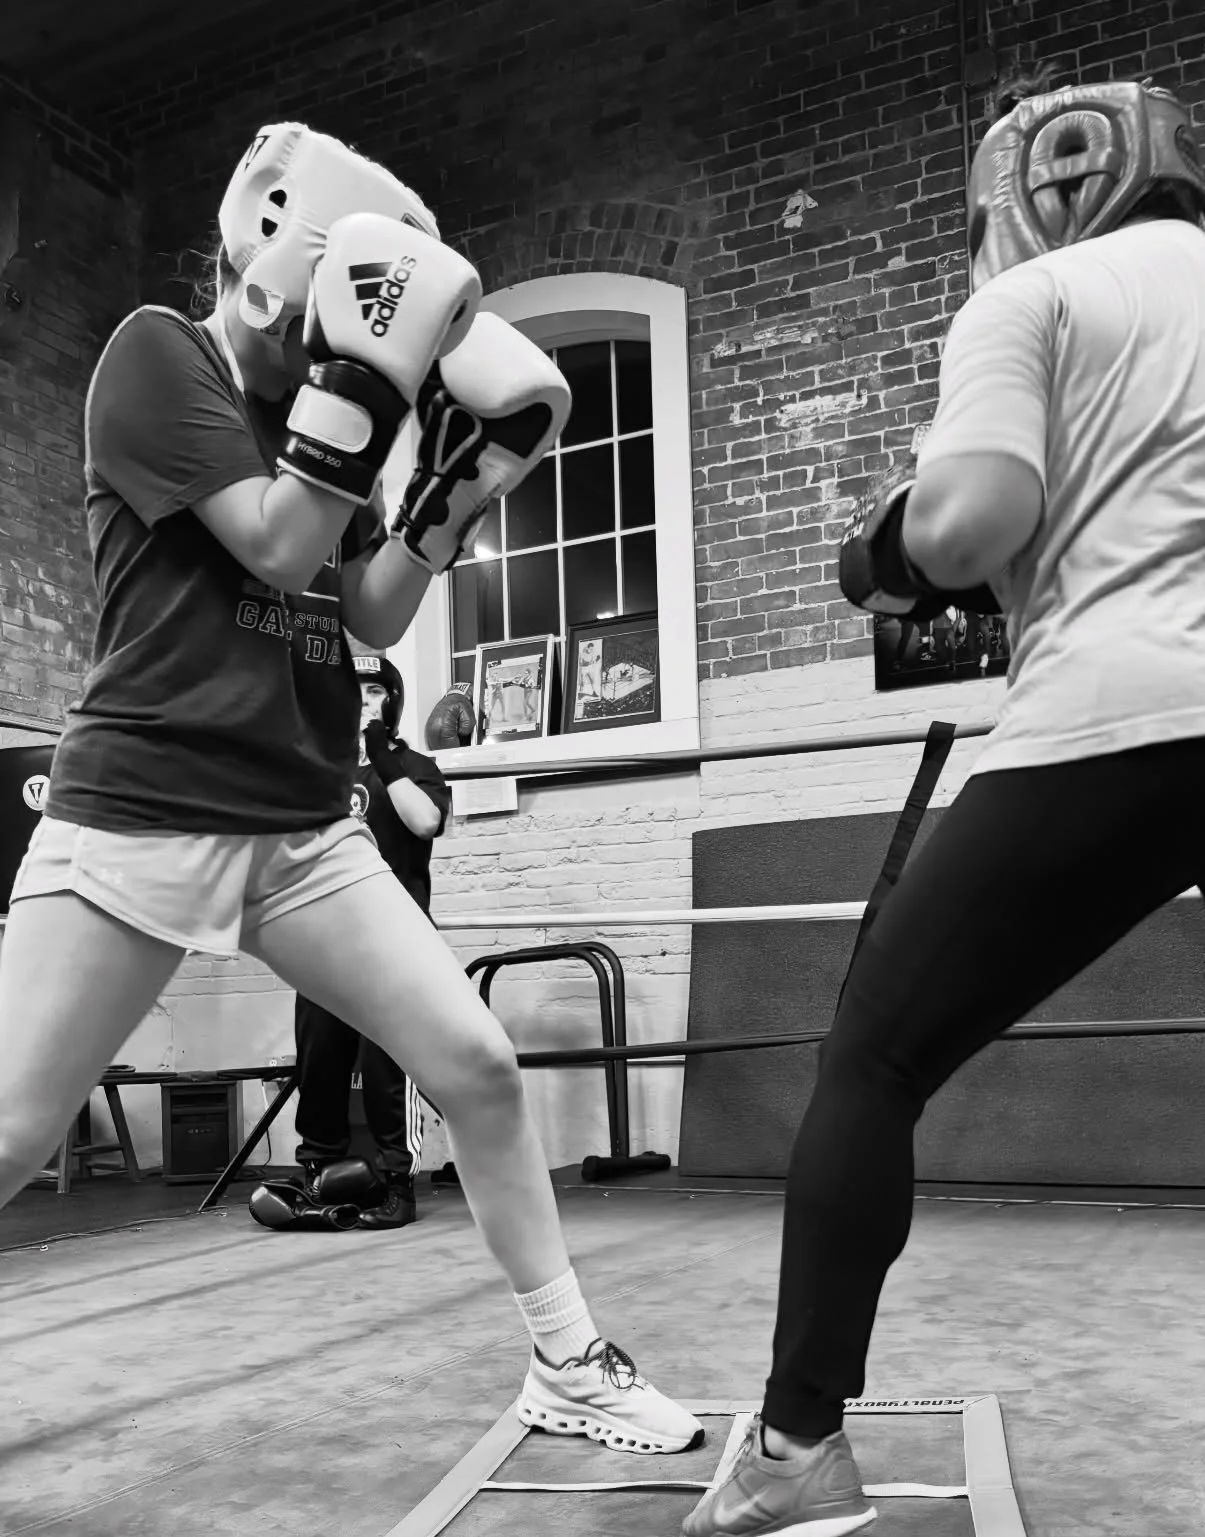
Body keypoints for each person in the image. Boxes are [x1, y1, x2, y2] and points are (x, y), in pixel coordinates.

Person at [683, 76, 1205, 1537]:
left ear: (1040, 192)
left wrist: (883, 551)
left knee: (878, 1056)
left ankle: (793, 1449)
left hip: (1140, 711)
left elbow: (971, 520)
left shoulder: (1034, 303)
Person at [0, 122, 699, 1457]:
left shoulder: (327, 409)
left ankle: (568, 1360)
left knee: (478, 1069)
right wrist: (367, 403)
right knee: (10, 1131)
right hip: (144, 805)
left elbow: (368, 608)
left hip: (304, 826)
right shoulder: (161, 356)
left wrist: (462, 484)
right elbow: (273, 547)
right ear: (277, 236)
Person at [269, 653, 449, 1230]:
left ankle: (399, 1182)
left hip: (396, 943)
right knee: (319, 1060)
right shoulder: (318, 773)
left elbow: (425, 823)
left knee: (387, 1063)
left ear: (390, 703)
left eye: (374, 694)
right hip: (328, 941)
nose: (363, 704)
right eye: (355, 694)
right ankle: (318, 1173)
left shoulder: (414, 765)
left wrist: (383, 759)